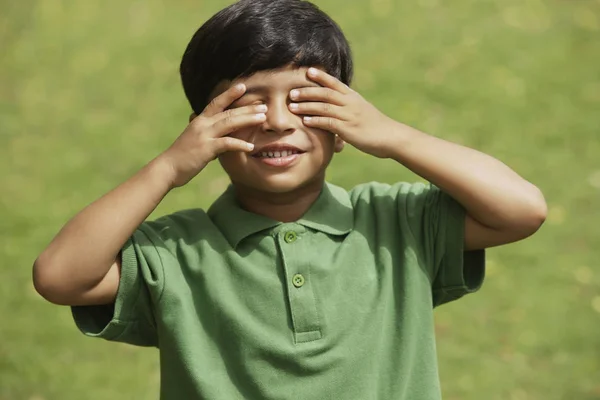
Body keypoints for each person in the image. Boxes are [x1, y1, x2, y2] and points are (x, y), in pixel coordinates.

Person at [32, 0, 547, 399]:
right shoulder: (175, 252)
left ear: (345, 128)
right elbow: (60, 276)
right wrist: (168, 167)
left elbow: (522, 209)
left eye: (306, 103)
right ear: (203, 132)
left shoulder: (399, 223)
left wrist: (391, 135)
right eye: (249, 105)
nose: (278, 121)